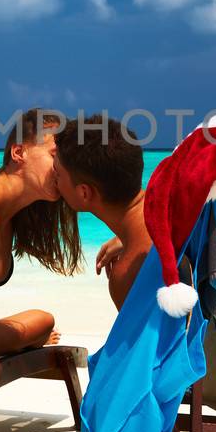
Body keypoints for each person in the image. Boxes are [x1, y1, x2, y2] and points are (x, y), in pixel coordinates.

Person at [0, 107, 82, 384]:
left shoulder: (11, 219)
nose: (63, 169)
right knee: (36, 328)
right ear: (18, 153)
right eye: (55, 156)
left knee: (43, 320)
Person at [52, 113, 149, 309]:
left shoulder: (127, 275)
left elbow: (143, 340)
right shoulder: (179, 204)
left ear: (84, 193)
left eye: (57, 174)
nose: (53, 180)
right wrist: (126, 238)